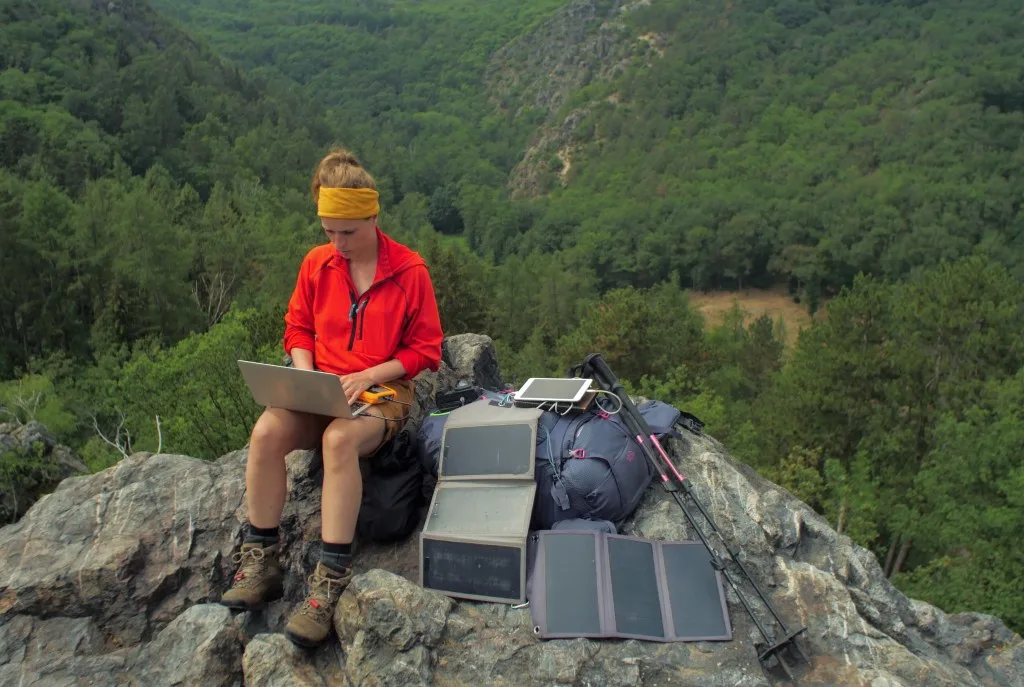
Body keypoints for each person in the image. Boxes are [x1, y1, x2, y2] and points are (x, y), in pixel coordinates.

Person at [218, 147, 444, 647]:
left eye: (349, 231)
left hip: (382, 392)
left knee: (339, 441)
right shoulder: (318, 264)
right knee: (267, 432)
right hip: (320, 386)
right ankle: (261, 561)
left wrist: (366, 375)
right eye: (329, 232)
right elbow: (297, 327)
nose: (338, 243)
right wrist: (305, 379)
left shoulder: (409, 271)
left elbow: (425, 349)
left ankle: (329, 581)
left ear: (373, 216)